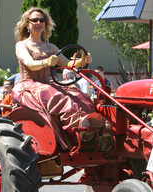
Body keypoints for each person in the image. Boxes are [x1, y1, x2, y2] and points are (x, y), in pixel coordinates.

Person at [12, 7, 102, 150]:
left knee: (76, 92)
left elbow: (67, 64)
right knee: (58, 95)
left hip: (46, 84)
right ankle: (78, 128)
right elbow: (29, 63)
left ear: (46, 24)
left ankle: (92, 124)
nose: (38, 22)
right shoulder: (22, 45)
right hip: (28, 85)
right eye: (34, 20)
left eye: (41, 20)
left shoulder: (51, 46)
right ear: (27, 24)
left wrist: (82, 61)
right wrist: (46, 62)